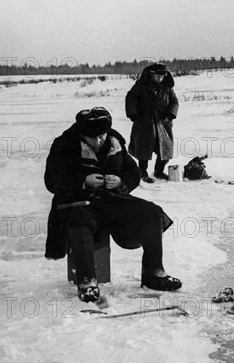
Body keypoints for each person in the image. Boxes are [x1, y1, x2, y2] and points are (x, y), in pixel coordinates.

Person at [45, 107, 182, 302]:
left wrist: (120, 181)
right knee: (80, 220)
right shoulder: (64, 145)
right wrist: (83, 181)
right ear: (81, 134)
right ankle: (87, 282)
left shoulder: (114, 143)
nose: (98, 141)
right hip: (77, 202)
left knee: (151, 213)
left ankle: (154, 273)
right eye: (92, 138)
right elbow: (52, 180)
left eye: (101, 136)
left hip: (111, 201)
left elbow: (133, 172)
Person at [125, 63, 179, 183]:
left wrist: (170, 115)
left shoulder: (167, 87)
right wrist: (133, 114)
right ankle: (142, 173)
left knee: (165, 148)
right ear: (151, 75)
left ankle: (159, 172)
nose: (160, 79)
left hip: (163, 122)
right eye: (157, 76)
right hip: (145, 121)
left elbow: (174, 101)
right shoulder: (141, 85)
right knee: (143, 148)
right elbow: (130, 97)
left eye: (162, 76)